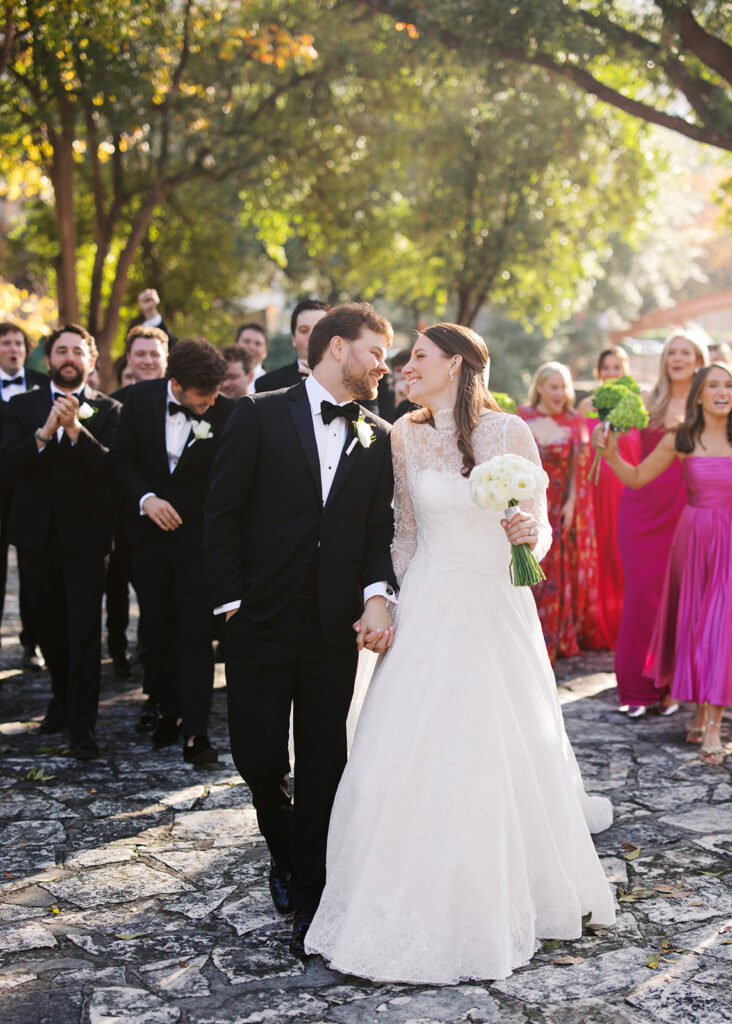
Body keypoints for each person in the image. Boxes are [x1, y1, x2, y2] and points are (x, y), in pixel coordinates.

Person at [305, 324, 615, 983]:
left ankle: (504, 894)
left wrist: (530, 533)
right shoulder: (403, 435)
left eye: (418, 356)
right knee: (410, 745)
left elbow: (540, 527)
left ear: (456, 364)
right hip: (429, 602)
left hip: (496, 604)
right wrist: (389, 599)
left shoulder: (509, 435)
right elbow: (404, 534)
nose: (404, 366)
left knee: (496, 746)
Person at [204, 302, 397, 956]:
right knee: (257, 757)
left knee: (324, 762)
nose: (382, 364)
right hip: (258, 620)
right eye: (375, 350)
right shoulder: (258, 412)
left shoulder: (378, 434)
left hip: (330, 628)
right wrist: (232, 605)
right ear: (337, 347)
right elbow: (222, 512)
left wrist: (377, 596)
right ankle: (283, 850)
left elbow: (376, 532)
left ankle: (313, 901)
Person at [594, 363, 732, 763]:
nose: (723, 392)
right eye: (714, 386)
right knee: (699, 624)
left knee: (721, 625)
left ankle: (712, 724)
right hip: (694, 538)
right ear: (700, 395)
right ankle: (703, 707)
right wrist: (611, 455)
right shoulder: (680, 438)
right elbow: (637, 478)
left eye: (729, 385)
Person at [0, 324, 121, 759]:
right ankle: (60, 700)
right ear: (48, 360)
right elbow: (8, 466)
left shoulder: (109, 410)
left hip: (87, 540)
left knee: (85, 632)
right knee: (48, 628)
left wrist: (76, 431)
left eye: (77, 351)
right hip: (36, 537)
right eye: (61, 351)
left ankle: (82, 727)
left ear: (91, 361)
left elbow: (110, 473)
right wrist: (46, 431)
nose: (68, 358)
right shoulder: (21, 405)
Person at [112, 339, 233, 765]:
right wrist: (146, 499)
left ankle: (196, 732)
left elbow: (228, 484)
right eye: (204, 396)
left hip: (197, 544)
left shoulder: (226, 412)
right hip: (147, 540)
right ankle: (168, 710)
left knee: (196, 634)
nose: (212, 402)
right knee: (156, 629)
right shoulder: (140, 399)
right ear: (176, 384)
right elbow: (121, 461)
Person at [613, 327, 709, 717]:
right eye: (673, 352)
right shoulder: (647, 400)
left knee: (679, 600)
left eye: (686, 352)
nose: (678, 359)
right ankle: (635, 689)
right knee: (639, 597)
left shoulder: (713, 405)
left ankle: (670, 687)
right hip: (641, 506)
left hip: (689, 507)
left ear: (699, 360)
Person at [518, 363, 607, 663]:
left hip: (558, 506)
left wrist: (571, 503)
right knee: (526, 567)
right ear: (540, 387)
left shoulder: (573, 422)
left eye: (563, 387)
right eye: (554, 387)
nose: (559, 393)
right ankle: (524, 636)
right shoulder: (522, 417)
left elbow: (576, 469)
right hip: (528, 501)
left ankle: (551, 641)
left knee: (553, 572)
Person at [106, 325, 170, 682]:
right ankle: (117, 653)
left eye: (153, 354)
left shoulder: (188, 403)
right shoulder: (116, 401)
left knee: (157, 611)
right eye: (140, 355)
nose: (147, 361)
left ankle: (154, 679)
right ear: (128, 360)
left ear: (165, 359)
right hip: (121, 520)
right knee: (116, 593)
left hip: (167, 526)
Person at [577, 347, 641, 647]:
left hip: (626, 487)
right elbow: (578, 449)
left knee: (622, 554)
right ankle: (596, 622)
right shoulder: (586, 406)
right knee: (597, 551)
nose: (611, 372)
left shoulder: (636, 407)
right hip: (594, 488)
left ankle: (624, 624)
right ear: (598, 372)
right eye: (606, 367)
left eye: (617, 367)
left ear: (625, 370)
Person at [0, 322, 47, 668]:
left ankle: (33, 642)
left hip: (32, 491)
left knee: (34, 575)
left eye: (18, 343)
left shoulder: (45, 387)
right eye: (5, 343)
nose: (12, 349)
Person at [254, 300, 329, 392]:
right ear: (293, 339)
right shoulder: (268, 384)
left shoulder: (348, 382)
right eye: (304, 330)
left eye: (319, 329)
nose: (312, 337)